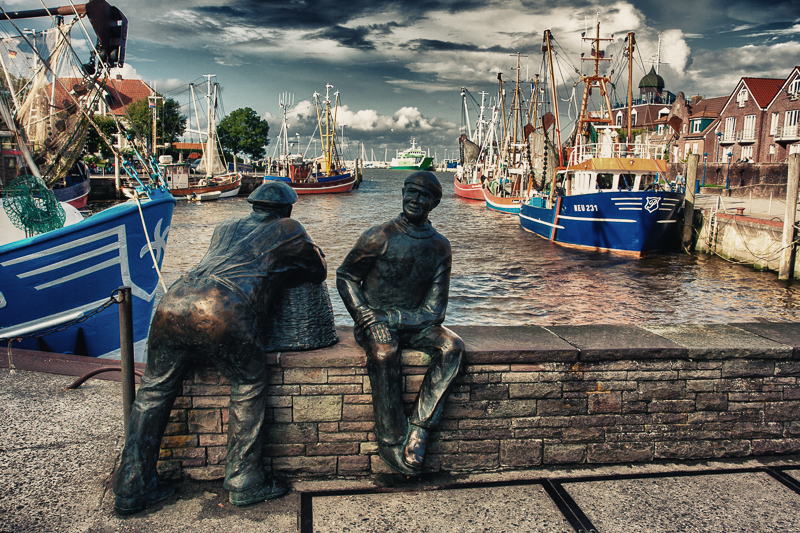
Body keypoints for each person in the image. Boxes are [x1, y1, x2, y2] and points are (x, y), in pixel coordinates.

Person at [113, 181, 328, 513]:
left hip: (174, 302)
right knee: (249, 383)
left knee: (153, 392)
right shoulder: (289, 228)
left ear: (253, 205)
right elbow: (319, 269)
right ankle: (244, 481)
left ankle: (131, 485)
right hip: (223, 307)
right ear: (286, 208)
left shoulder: (225, 226)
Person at [336, 171, 464, 475]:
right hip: (373, 320)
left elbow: (435, 311)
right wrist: (366, 315)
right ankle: (391, 439)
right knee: (384, 352)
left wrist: (391, 317)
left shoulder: (439, 247)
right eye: (411, 192)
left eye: (424, 195)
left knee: (452, 346)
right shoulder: (379, 236)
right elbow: (346, 276)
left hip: (414, 322)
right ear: (403, 193)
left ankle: (419, 429)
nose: (415, 200)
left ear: (434, 203)